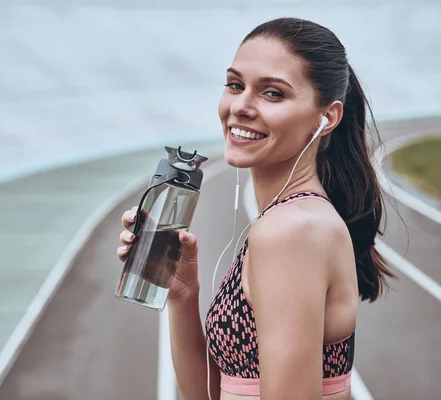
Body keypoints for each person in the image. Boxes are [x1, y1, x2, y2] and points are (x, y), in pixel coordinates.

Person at [117, 17, 395, 400]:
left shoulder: (292, 231)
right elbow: (210, 394)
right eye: (235, 85)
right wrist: (183, 293)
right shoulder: (285, 220)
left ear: (326, 118)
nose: (241, 106)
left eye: (273, 94)